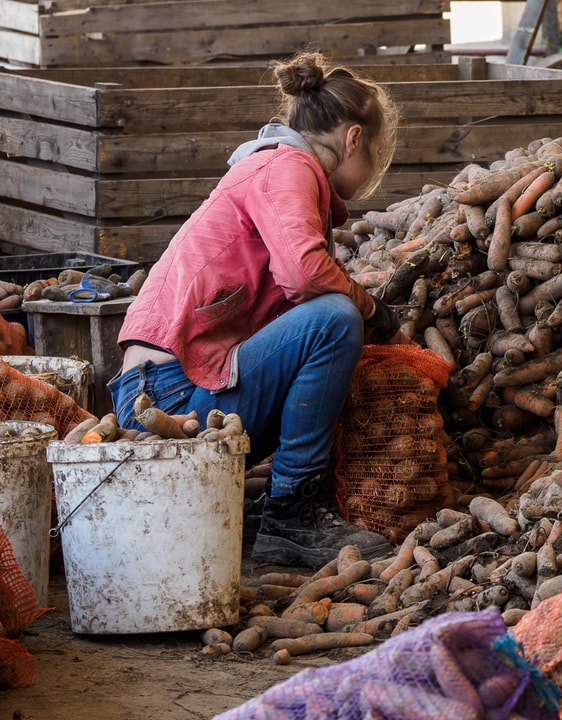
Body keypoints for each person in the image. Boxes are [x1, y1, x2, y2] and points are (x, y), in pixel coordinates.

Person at [108, 51, 402, 569]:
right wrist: (371, 306)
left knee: (330, 322)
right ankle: (291, 517)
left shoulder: (278, 170)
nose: (373, 167)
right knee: (336, 318)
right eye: (375, 153)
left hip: (172, 391)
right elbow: (306, 273)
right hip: (165, 404)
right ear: (354, 139)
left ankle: (279, 507)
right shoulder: (284, 166)